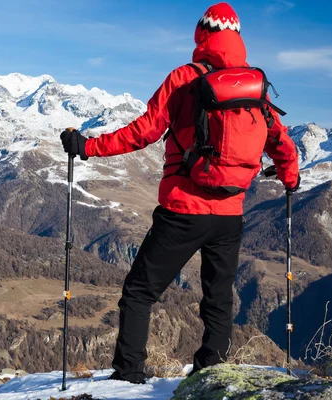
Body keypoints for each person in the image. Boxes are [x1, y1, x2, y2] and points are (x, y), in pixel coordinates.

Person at [61, 2, 300, 384]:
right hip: (230, 215)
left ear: (201, 34)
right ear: (237, 37)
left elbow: (143, 131)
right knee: (218, 301)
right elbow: (281, 141)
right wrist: (290, 177)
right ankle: (212, 376)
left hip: (182, 210)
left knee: (140, 292)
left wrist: (87, 147)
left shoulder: (185, 78)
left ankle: (128, 377)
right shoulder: (254, 85)